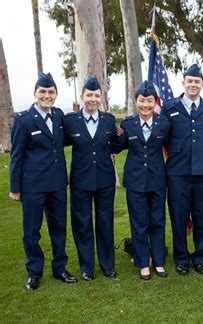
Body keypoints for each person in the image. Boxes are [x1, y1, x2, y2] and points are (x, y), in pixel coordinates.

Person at [9, 72, 77, 290]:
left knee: (59, 228)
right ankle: (34, 271)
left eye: (51, 92)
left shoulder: (58, 116)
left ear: (55, 94)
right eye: (43, 92)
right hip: (33, 186)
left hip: (57, 184)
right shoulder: (23, 120)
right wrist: (15, 188)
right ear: (35, 93)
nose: (47, 96)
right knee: (31, 231)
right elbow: (16, 156)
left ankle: (60, 269)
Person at [161, 64, 203, 275]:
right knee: (178, 218)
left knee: (202, 218)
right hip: (177, 173)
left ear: (202, 84)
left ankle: (200, 258)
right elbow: (165, 136)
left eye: (197, 81)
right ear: (183, 82)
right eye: (190, 81)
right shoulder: (170, 107)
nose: (193, 84)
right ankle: (181, 258)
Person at [114, 80, 170, 280]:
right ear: (135, 101)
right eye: (142, 101)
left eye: (149, 101)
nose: (145, 105)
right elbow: (117, 146)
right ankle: (143, 262)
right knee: (139, 223)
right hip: (135, 180)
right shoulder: (128, 124)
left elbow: (171, 146)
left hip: (157, 179)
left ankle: (159, 261)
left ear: (155, 102)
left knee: (157, 221)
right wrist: (114, 134)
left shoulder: (164, 124)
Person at [63, 76, 117, 281]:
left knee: (105, 222)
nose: (93, 99)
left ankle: (107, 264)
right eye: (89, 95)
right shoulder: (70, 121)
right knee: (82, 223)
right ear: (82, 96)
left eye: (96, 95)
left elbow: (117, 143)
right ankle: (87, 266)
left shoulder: (109, 120)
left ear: (101, 98)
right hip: (80, 180)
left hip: (104, 180)